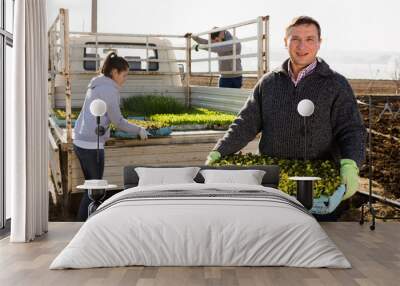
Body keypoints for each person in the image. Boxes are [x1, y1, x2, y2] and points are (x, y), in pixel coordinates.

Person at [205, 16, 366, 202]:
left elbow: (351, 129)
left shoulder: (335, 84)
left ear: (319, 43)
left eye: (309, 39)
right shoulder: (269, 83)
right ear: (285, 42)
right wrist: (220, 150)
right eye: (295, 39)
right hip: (272, 177)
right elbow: (245, 123)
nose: (302, 46)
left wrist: (350, 162)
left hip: (319, 178)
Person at [73, 52, 148, 221]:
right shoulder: (109, 90)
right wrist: (139, 130)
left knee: (90, 186)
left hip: (80, 140)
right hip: (92, 145)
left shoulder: (96, 84)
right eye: (124, 75)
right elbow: (118, 120)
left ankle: (83, 222)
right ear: (114, 72)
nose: (125, 79)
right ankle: (82, 224)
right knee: (94, 188)